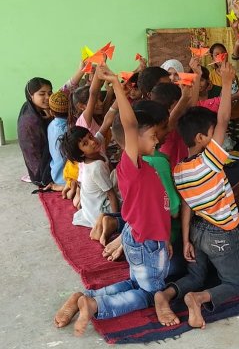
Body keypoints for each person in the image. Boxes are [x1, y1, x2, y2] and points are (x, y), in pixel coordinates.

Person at [54, 65, 171, 337]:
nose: (157, 140)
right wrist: (117, 86)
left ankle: (85, 297)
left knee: (135, 283)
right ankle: (96, 306)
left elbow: (156, 210)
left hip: (145, 239)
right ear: (133, 140)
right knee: (149, 295)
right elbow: (129, 124)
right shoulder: (132, 166)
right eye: (152, 136)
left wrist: (164, 239)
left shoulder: (143, 165)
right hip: (145, 242)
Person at [154, 62, 239, 329]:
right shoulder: (210, 160)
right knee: (233, 282)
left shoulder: (180, 169)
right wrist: (226, 83)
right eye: (211, 133)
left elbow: (186, 205)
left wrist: (186, 240)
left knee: (196, 276)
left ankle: (166, 294)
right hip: (221, 235)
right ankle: (198, 299)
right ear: (200, 138)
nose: (216, 136)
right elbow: (224, 119)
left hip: (196, 232)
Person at [18, 77, 53, 187]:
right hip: (41, 173)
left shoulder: (31, 107)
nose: (48, 97)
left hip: (39, 167)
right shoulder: (30, 120)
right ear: (30, 95)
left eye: (50, 93)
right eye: (42, 94)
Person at [48, 91, 70, 189]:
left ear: (51, 112)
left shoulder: (51, 125)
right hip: (66, 178)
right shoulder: (69, 129)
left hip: (55, 174)